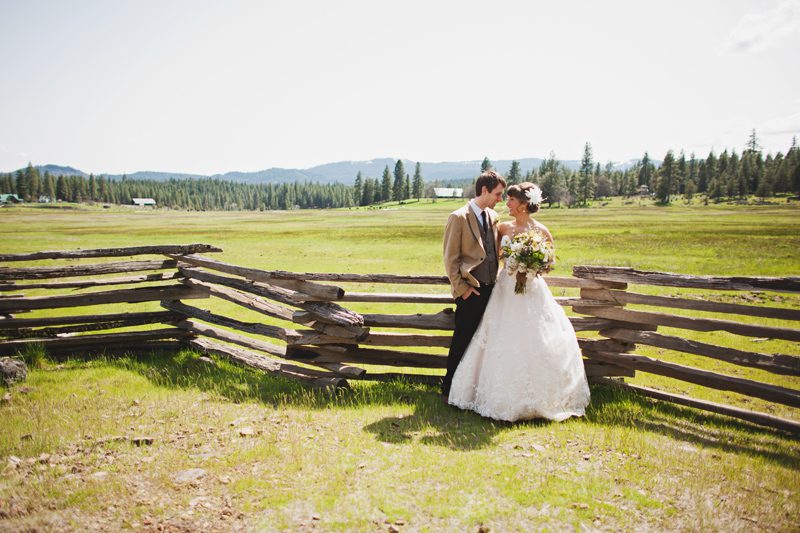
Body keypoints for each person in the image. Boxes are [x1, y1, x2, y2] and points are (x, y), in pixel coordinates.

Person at [448, 182, 591, 422]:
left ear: (523, 204)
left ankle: (540, 397)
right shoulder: (502, 227)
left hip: (531, 290)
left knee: (535, 337)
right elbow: (491, 253)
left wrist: (532, 265)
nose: (507, 203)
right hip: (505, 289)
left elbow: (550, 262)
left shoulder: (541, 231)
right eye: (504, 197)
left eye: (511, 200)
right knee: (500, 336)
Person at [441, 170, 506, 398]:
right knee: (463, 340)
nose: (501, 199)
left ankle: (475, 390)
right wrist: (463, 290)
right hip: (472, 291)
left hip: (492, 289)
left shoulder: (492, 217)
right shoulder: (458, 217)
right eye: (498, 194)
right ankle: (449, 389)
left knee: (485, 342)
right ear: (484, 190)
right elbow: (451, 259)